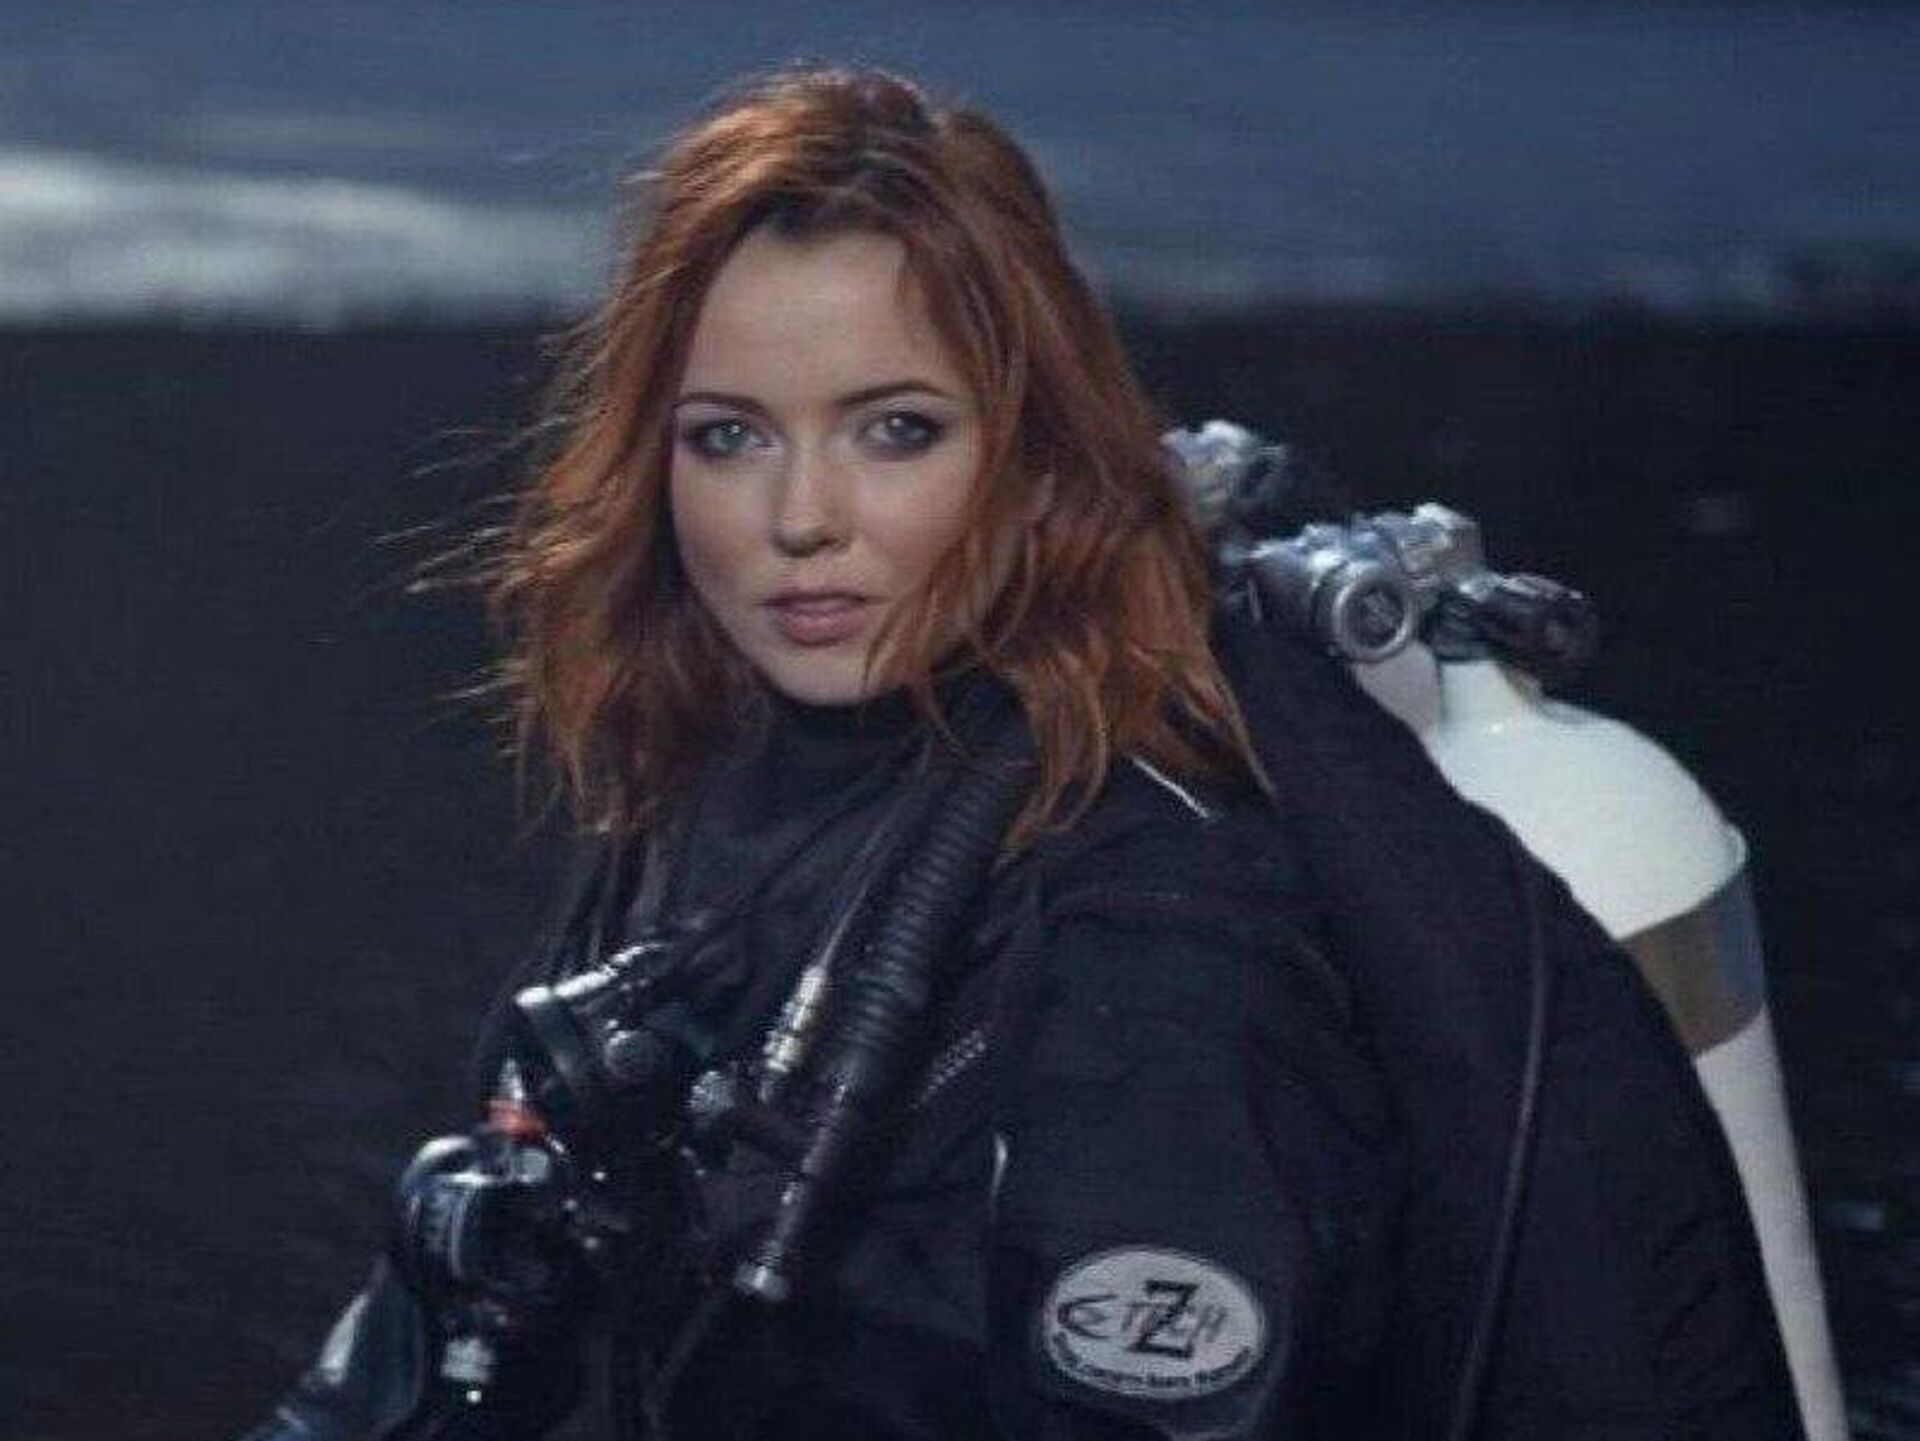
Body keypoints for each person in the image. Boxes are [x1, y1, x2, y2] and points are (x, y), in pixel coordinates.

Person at [246, 66, 1803, 1441]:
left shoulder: (1160, 926)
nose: (799, 517)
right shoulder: (725, 787)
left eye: (895, 429)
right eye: (729, 435)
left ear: (1041, 461)